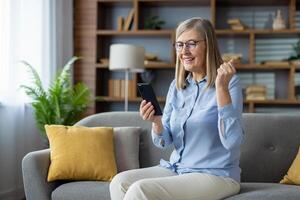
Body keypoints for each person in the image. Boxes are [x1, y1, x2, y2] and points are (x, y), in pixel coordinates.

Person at [110, 17, 244, 200]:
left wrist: (221, 88)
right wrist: (156, 121)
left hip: (216, 174)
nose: (184, 51)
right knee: (120, 182)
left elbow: (232, 141)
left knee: (139, 191)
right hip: (177, 168)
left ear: (209, 45)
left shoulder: (230, 83)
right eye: (179, 45)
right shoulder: (178, 86)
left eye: (191, 44)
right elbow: (164, 141)